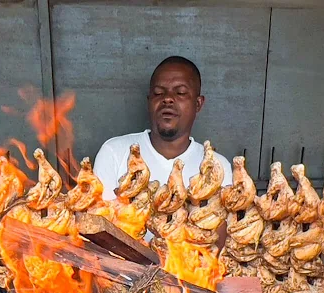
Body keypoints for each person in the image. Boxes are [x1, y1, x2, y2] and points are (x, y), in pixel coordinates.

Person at [93, 56, 232, 200]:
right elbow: (99, 219)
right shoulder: (114, 153)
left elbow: (225, 220)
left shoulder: (216, 167)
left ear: (198, 104)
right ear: (149, 101)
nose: (167, 99)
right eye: (159, 93)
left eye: (180, 92)